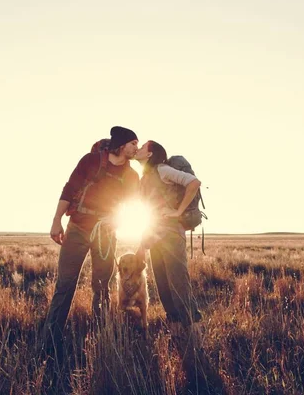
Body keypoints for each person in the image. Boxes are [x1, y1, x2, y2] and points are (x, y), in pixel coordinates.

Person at [41, 126, 140, 362]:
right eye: (134, 143)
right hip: (77, 228)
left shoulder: (132, 176)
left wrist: (114, 222)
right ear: (122, 145)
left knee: (102, 288)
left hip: (105, 234)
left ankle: (100, 341)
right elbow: (70, 188)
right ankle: (48, 344)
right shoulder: (91, 161)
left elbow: (131, 207)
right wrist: (56, 221)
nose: (137, 148)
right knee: (64, 286)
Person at [135, 140, 203, 328]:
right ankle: (175, 324)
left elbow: (194, 183)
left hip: (171, 231)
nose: (138, 149)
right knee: (162, 283)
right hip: (154, 233)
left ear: (149, 154)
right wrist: (142, 244)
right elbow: (147, 212)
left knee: (177, 281)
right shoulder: (144, 178)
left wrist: (178, 212)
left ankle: (192, 324)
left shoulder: (161, 170)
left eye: (142, 147)